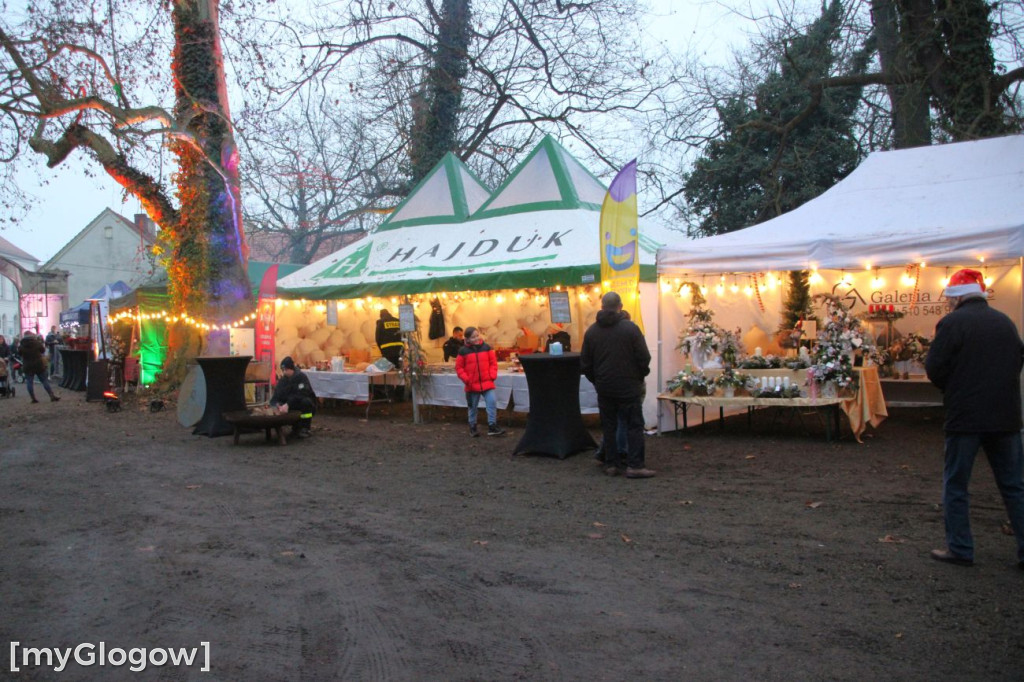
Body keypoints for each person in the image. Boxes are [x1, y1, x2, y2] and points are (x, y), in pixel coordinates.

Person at [924, 268, 1024, 569]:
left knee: (956, 484)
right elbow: (1017, 360)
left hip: (965, 417)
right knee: (1014, 485)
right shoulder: (1005, 322)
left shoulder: (952, 323)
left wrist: (953, 388)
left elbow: (935, 367)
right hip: (1006, 416)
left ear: (955, 298)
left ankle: (960, 548)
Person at [580, 291, 653, 478]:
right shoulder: (631, 329)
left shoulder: (592, 332)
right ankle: (635, 465)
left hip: (605, 387)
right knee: (634, 425)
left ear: (602, 307)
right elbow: (644, 358)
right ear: (620, 306)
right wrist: (638, 377)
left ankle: (611, 464)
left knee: (609, 426)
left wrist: (598, 381)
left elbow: (585, 364)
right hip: (629, 387)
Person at [456, 327, 505, 437]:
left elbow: (493, 363)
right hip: (472, 385)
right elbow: (459, 368)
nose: (476, 338)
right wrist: (467, 379)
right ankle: (472, 427)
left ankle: (492, 426)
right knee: (473, 406)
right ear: (467, 339)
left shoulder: (487, 348)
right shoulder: (463, 351)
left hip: (487, 382)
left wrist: (492, 375)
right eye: (473, 337)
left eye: (477, 335)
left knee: (492, 402)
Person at [269, 356, 317, 439]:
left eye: (286, 370)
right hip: (288, 405)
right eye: (283, 370)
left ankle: (305, 428)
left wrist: (288, 404)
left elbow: (302, 394)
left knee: (306, 402)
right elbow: (276, 396)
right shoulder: (282, 381)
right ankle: (295, 427)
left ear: (291, 368)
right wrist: (277, 405)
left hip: (303, 405)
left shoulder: (301, 377)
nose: (284, 372)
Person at [18, 331, 60, 403]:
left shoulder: (21, 345)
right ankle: (51, 395)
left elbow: (20, 354)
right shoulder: (37, 343)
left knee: (29, 382)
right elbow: (42, 350)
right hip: (38, 364)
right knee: (44, 380)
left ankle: (33, 398)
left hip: (27, 365)